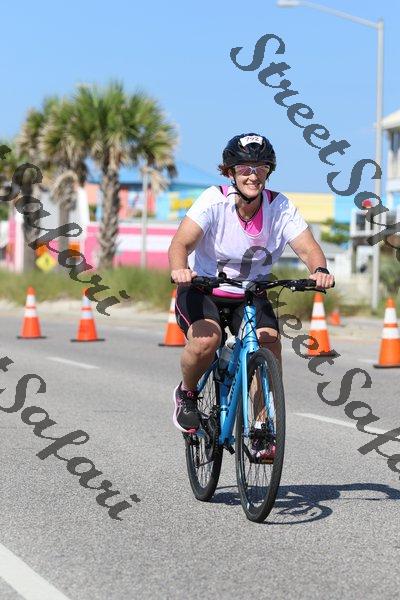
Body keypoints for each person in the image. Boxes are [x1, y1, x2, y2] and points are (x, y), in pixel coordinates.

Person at [168, 133, 335, 442]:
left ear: (269, 171)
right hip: (203, 289)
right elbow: (181, 243)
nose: (253, 175)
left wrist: (319, 270)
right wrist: (180, 269)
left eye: (261, 168)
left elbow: (308, 248)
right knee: (206, 341)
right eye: (245, 168)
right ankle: (187, 394)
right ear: (230, 172)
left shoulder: (279, 206)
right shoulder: (213, 200)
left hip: (249, 293)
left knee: (268, 342)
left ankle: (261, 425)